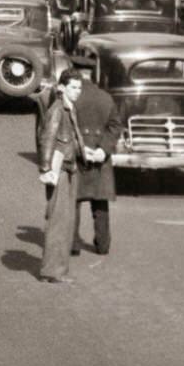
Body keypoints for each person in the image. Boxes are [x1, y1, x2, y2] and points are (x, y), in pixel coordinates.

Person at [38, 69, 84, 284]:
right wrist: (46, 169)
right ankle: (53, 271)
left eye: (79, 88)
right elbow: (47, 138)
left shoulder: (67, 108)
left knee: (64, 220)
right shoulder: (58, 109)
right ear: (62, 87)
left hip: (68, 167)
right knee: (59, 220)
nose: (77, 92)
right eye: (73, 87)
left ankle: (56, 269)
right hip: (60, 170)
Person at [69, 74, 120, 256]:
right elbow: (115, 127)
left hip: (78, 155)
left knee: (73, 201)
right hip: (100, 159)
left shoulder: (71, 95)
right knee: (100, 204)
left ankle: (73, 244)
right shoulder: (105, 97)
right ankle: (103, 245)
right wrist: (103, 150)